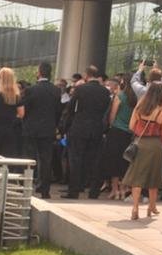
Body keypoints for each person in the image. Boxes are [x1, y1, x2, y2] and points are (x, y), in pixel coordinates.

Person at [124, 82, 162, 220]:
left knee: (137, 177)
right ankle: (151, 206)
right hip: (155, 145)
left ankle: (135, 207)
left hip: (140, 143)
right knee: (154, 177)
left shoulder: (139, 107)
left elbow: (131, 126)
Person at [65, 66, 110, 199]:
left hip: (79, 127)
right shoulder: (104, 92)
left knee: (76, 159)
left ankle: (74, 190)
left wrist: (67, 127)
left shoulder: (80, 89)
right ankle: (94, 191)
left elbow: (71, 108)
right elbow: (106, 110)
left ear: (87, 75)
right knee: (94, 161)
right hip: (96, 128)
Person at [22, 63, 62, 198]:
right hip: (48, 128)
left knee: (29, 158)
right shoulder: (56, 90)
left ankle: (26, 187)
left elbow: (24, 109)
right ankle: (45, 190)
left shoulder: (30, 90)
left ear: (39, 72)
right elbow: (58, 111)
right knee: (46, 159)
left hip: (31, 128)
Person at [98, 77, 136, 201]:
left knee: (114, 160)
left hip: (116, 131)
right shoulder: (135, 98)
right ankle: (124, 188)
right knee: (125, 162)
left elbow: (113, 114)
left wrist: (111, 125)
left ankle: (115, 190)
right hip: (129, 132)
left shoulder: (120, 96)